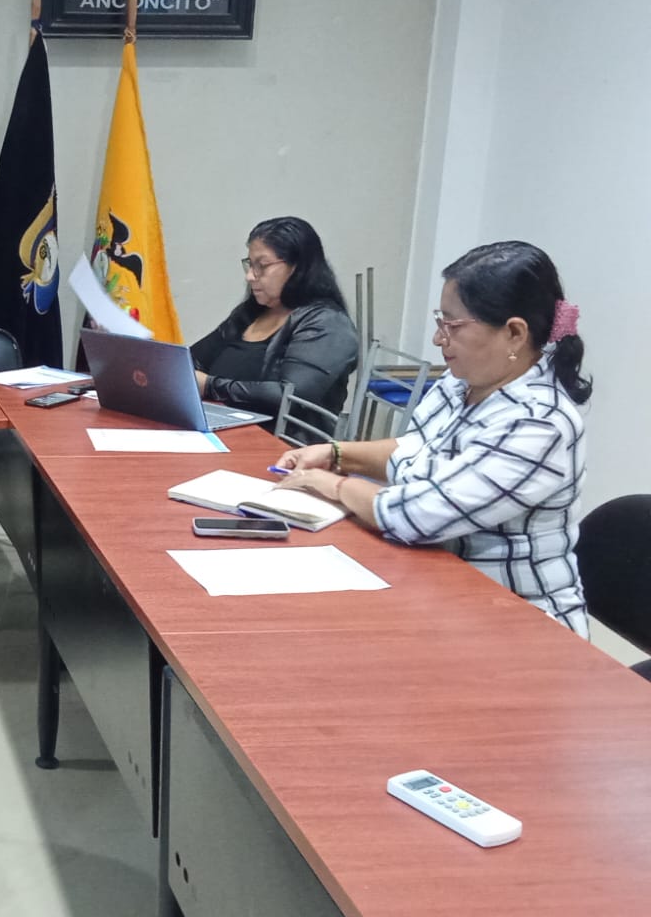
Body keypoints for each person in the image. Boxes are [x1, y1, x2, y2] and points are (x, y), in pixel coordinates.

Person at [274, 241, 590, 635]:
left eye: (452, 326)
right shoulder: (463, 383)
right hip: (442, 590)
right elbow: (416, 449)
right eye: (441, 321)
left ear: (513, 333)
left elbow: (416, 515)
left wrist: (332, 485)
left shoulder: (539, 423)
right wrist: (337, 453)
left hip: (519, 624)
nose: (439, 339)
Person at [191, 216, 359, 419]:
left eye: (262, 265)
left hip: (283, 436)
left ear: (297, 267)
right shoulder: (253, 311)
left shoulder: (329, 324)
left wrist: (210, 386)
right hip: (230, 422)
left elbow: (292, 397)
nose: (250, 276)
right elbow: (193, 360)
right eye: (250, 264)